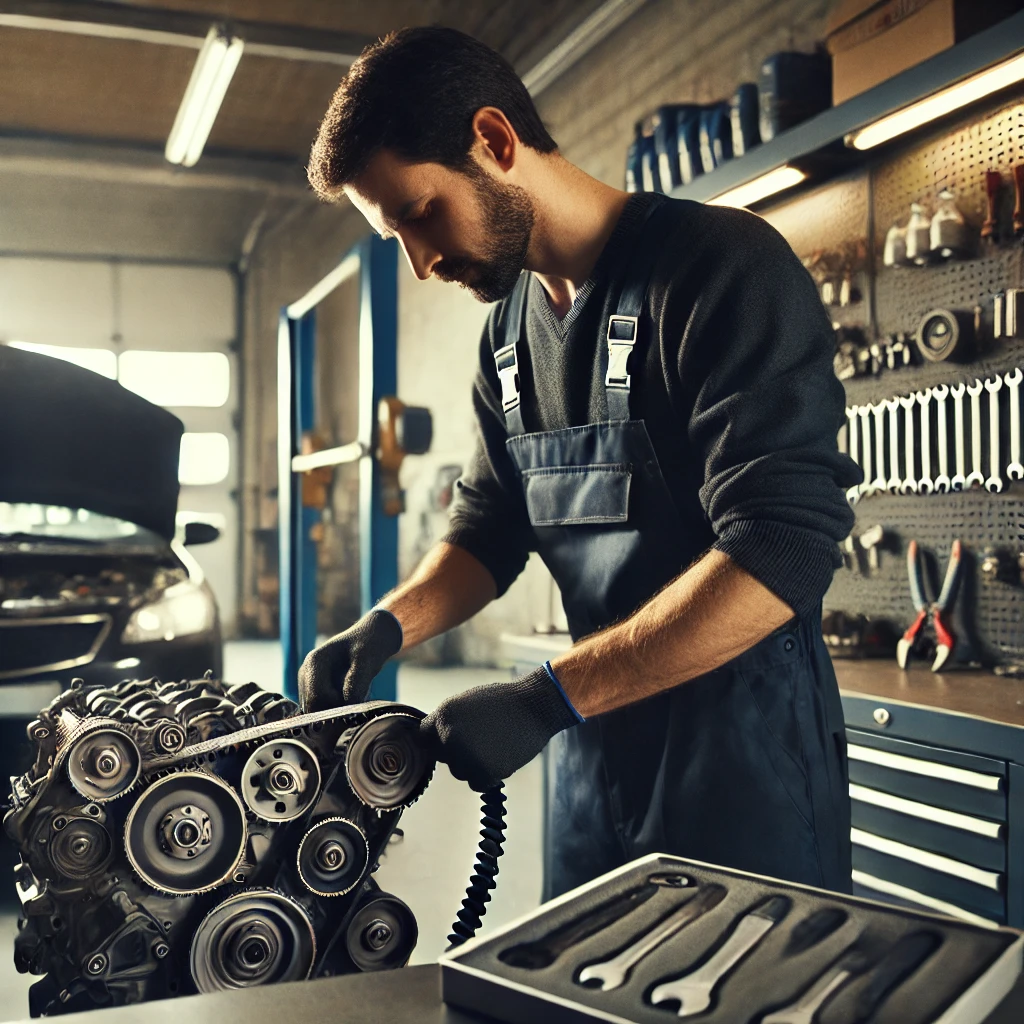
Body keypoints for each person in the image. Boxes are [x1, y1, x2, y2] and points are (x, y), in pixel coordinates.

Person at [299, 25, 862, 900]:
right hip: (593, 765)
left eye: (418, 214)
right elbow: (490, 529)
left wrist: (544, 699)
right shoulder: (508, 338)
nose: (420, 262)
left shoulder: (720, 269)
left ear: (493, 141)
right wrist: (388, 624)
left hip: (745, 769)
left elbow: (781, 546)